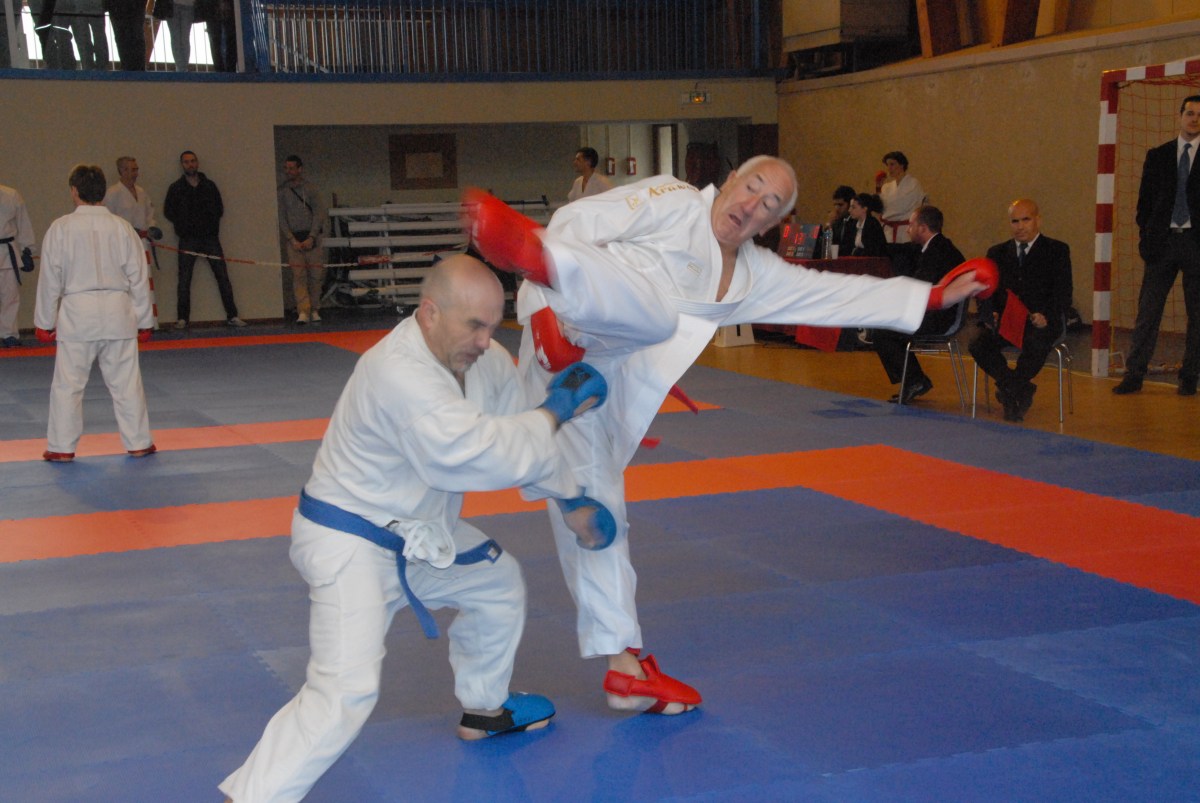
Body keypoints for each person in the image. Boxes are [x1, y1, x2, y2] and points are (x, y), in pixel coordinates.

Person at [465, 158, 989, 717]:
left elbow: (836, 294)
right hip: (561, 325)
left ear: (774, 224)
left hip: (591, 391)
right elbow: (575, 223)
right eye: (751, 187)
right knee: (653, 314)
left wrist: (932, 298)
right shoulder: (672, 201)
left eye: (770, 205)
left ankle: (624, 669)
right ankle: (553, 300)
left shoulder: (754, 276)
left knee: (600, 523)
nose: (751, 205)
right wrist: (542, 312)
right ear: (732, 179)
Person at [219, 255, 610, 803]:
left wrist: (571, 499)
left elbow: (515, 433)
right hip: (350, 543)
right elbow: (475, 455)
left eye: (492, 326)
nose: (484, 341)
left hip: (418, 535)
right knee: (344, 691)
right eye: (473, 326)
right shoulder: (397, 372)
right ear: (429, 313)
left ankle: (486, 709)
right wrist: (556, 411)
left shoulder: (485, 361)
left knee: (497, 583)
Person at [33, 164, 156, 463]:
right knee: (127, 382)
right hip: (118, 311)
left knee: (68, 385)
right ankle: (139, 442)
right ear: (102, 192)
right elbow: (139, 277)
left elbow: (50, 278)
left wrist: (44, 322)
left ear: (74, 191)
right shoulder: (123, 228)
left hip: (78, 314)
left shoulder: (60, 228)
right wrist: (144, 320)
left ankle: (61, 446)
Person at [1114, 94, 1200, 396]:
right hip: (1162, 243)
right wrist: (1147, 236)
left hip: (1195, 244)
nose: (1194, 119)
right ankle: (1134, 373)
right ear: (1180, 116)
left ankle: (1190, 376)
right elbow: (1145, 203)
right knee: (1148, 311)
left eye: (1199, 115)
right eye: (1190, 113)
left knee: (1197, 314)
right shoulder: (1158, 155)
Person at [969, 199, 1073, 421]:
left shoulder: (1057, 250)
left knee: (1036, 343)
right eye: (1015, 221)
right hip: (1006, 321)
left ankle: (1011, 393)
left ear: (1038, 220)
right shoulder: (996, 252)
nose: (1020, 226)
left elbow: (1063, 292)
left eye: (1026, 220)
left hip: (1041, 322)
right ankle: (1018, 388)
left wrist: (1046, 316)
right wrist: (989, 313)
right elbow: (985, 291)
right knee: (978, 343)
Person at [866, 205, 965, 403]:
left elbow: (920, 287)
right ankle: (914, 379)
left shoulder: (938, 252)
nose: (908, 230)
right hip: (934, 312)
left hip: (939, 318)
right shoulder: (934, 247)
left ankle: (915, 380)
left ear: (923, 228)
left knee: (882, 330)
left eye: (911, 225)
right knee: (884, 326)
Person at [163, 150, 245, 328]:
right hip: (187, 239)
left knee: (222, 276)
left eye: (193, 161)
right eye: (186, 162)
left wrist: (210, 224)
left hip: (210, 238)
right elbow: (168, 211)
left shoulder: (209, 186)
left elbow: (219, 209)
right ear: (182, 165)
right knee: (184, 279)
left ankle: (232, 315)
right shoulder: (176, 188)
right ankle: (182, 318)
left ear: (197, 163)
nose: (190, 164)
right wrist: (183, 226)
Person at [278, 155, 328, 324]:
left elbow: (318, 214)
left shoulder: (310, 189)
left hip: (312, 239)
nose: (288, 171)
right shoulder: (282, 191)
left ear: (300, 169)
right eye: (286, 168)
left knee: (315, 275)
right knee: (298, 276)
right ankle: (303, 310)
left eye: (292, 168)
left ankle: (315, 308)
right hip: (294, 239)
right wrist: (291, 238)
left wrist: (312, 236)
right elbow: (281, 217)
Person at [0, 183, 36, 348]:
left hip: (7, 251)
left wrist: (27, 249)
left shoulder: (11, 195)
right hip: (7, 250)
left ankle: (9, 334)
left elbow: (23, 223)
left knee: (10, 296)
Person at [879, 151, 926, 244]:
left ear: (902, 165)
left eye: (892, 164)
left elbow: (902, 206)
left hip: (905, 231)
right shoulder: (886, 187)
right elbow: (881, 208)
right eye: (887, 165)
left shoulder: (913, 184)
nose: (889, 168)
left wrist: (888, 213)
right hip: (888, 232)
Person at [813, 185, 855, 259]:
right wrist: (829, 224)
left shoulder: (855, 222)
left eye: (840, 205)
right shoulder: (837, 222)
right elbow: (825, 245)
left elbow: (848, 247)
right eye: (835, 205)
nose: (836, 208)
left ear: (850, 204)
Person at [104, 0, 146, 70]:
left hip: (118, 7)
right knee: (134, 38)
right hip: (133, 7)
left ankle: (129, 67)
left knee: (124, 38)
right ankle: (136, 68)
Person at [848, 191, 887, 258]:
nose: (849, 210)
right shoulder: (853, 224)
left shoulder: (872, 224)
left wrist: (857, 252)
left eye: (853, 207)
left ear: (864, 209)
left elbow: (875, 250)